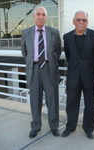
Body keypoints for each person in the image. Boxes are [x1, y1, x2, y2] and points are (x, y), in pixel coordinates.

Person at [21, 6, 62, 138]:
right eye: (38, 14)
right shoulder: (26, 33)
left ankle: (54, 125)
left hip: (49, 69)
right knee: (35, 100)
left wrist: (48, 60)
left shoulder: (54, 32)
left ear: (46, 17)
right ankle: (35, 126)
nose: (41, 17)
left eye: (43, 14)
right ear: (34, 16)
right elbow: (24, 52)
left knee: (52, 100)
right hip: (34, 70)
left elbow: (58, 51)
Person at [61, 11, 94, 139]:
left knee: (90, 104)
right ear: (73, 21)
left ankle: (89, 128)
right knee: (71, 103)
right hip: (73, 76)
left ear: (87, 22)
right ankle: (70, 126)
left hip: (90, 75)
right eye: (78, 19)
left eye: (84, 20)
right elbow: (69, 55)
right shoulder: (67, 37)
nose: (81, 22)